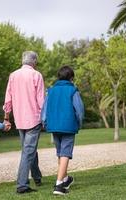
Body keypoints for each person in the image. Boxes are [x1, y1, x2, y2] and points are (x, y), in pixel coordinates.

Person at [3, 51, 45, 194]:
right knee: (28, 151)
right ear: (34, 62)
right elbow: (41, 100)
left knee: (29, 150)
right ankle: (22, 185)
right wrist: (45, 118)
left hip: (19, 119)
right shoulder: (36, 75)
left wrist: (6, 117)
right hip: (34, 118)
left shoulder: (13, 75)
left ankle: (37, 177)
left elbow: (8, 99)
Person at [41, 66, 84, 195]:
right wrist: (79, 124)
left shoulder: (51, 91)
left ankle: (65, 178)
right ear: (71, 78)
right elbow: (80, 111)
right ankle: (59, 185)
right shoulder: (73, 90)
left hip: (54, 126)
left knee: (60, 152)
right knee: (65, 153)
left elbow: (44, 110)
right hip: (68, 125)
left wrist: (44, 122)